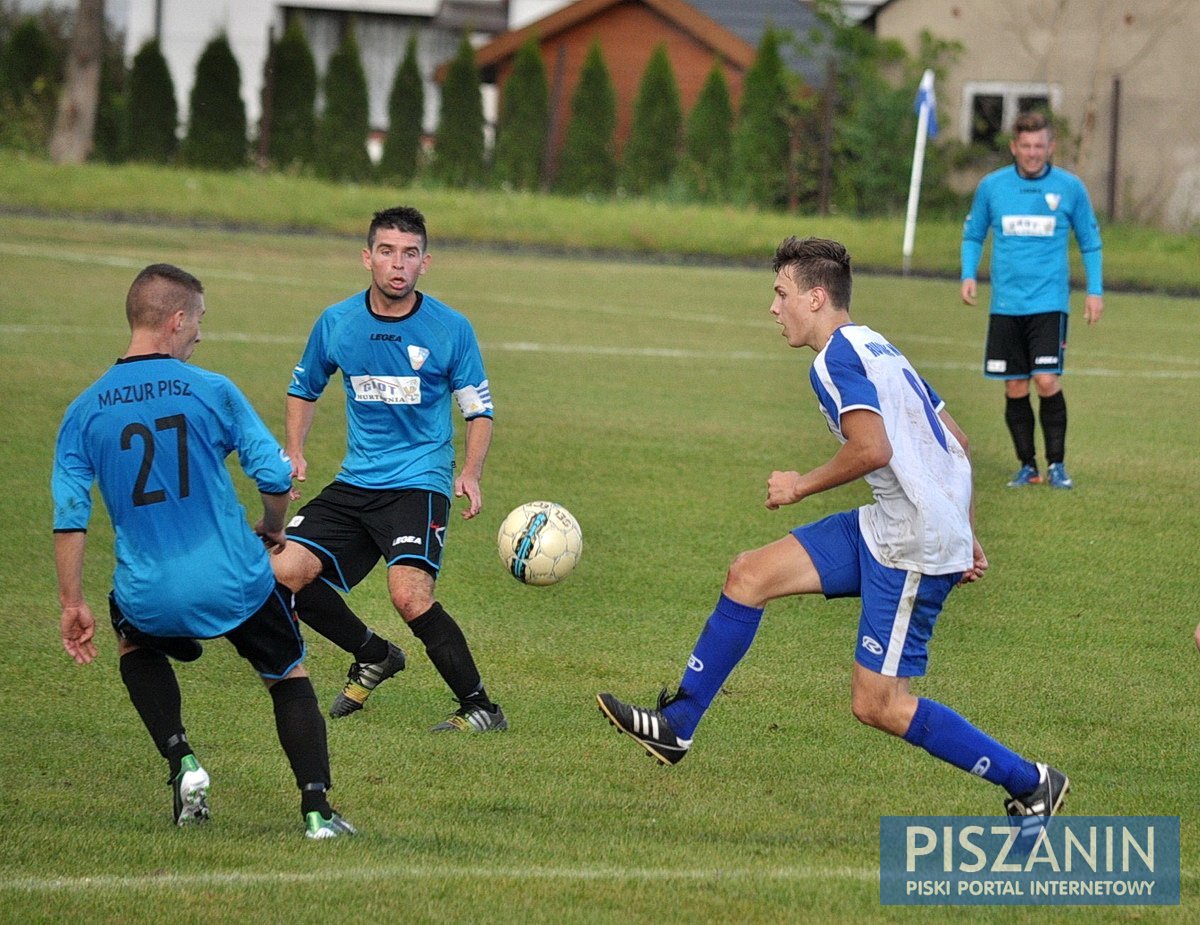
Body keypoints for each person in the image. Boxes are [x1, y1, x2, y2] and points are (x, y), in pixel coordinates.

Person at [597, 237, 1069, 821]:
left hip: (911, 543)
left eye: (781, 293)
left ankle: (1031, 782)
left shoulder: (835, 360)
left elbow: (873, 448)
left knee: (879, 704)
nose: (774, 308)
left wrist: (799, 485)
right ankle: (677, 726)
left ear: (816, 297)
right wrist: (965, 531)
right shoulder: (877, 345)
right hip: (895, 524)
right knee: (749, 574)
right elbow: (958, 442)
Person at [52, 264, 355, 840]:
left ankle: (182, 759)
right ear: (176, 319)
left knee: (134, 640)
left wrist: (72, 601)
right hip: (235, 581)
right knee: (288, 675)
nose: (201, 334)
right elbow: (273, 474)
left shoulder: (84, 411)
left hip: (151, 593)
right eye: (199, 321)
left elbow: (70, 519)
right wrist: (272, 528)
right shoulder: (211, 389)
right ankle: (317, 811)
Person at [271, 205, 505, 732]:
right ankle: (373, 653)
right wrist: (295, 448)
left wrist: (470, 472)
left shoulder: (450, 328)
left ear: (426, 263)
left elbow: (478, 408)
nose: (397, 264)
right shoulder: (337, 322)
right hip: (357, 481)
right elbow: (304, 387)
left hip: (419, 484)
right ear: (367, 258)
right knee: (279, 573)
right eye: (386, 251)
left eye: (409, 253)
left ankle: (481, 707)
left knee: (408, 595)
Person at [960, 109, 1103, 490]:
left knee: (1045, 380)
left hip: (1049, 303)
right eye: (1025, 145)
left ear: (1050, 146)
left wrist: (1095, 291)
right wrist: (968, 274)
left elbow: (1090, 241)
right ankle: (1028, 467)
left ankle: (1058, 465)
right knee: (1015, 386)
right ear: (1014, 147)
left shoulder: (1069, 188)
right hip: (1006, 305)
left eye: (1040, 145)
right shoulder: (993, 187)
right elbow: (974, 234)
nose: (1033, 152)